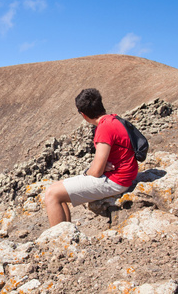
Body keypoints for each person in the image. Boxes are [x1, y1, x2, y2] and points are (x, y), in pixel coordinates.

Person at [44, 88, 138, 227]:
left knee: (52, 194)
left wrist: (90, 170)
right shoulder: (114, 119)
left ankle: (57, 241)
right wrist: (100, 165)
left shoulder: (104, 128)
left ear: (83, 115)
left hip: (117, 181)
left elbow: (96, 171)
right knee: (56, 187)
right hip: (123, 175)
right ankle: (65, 232)